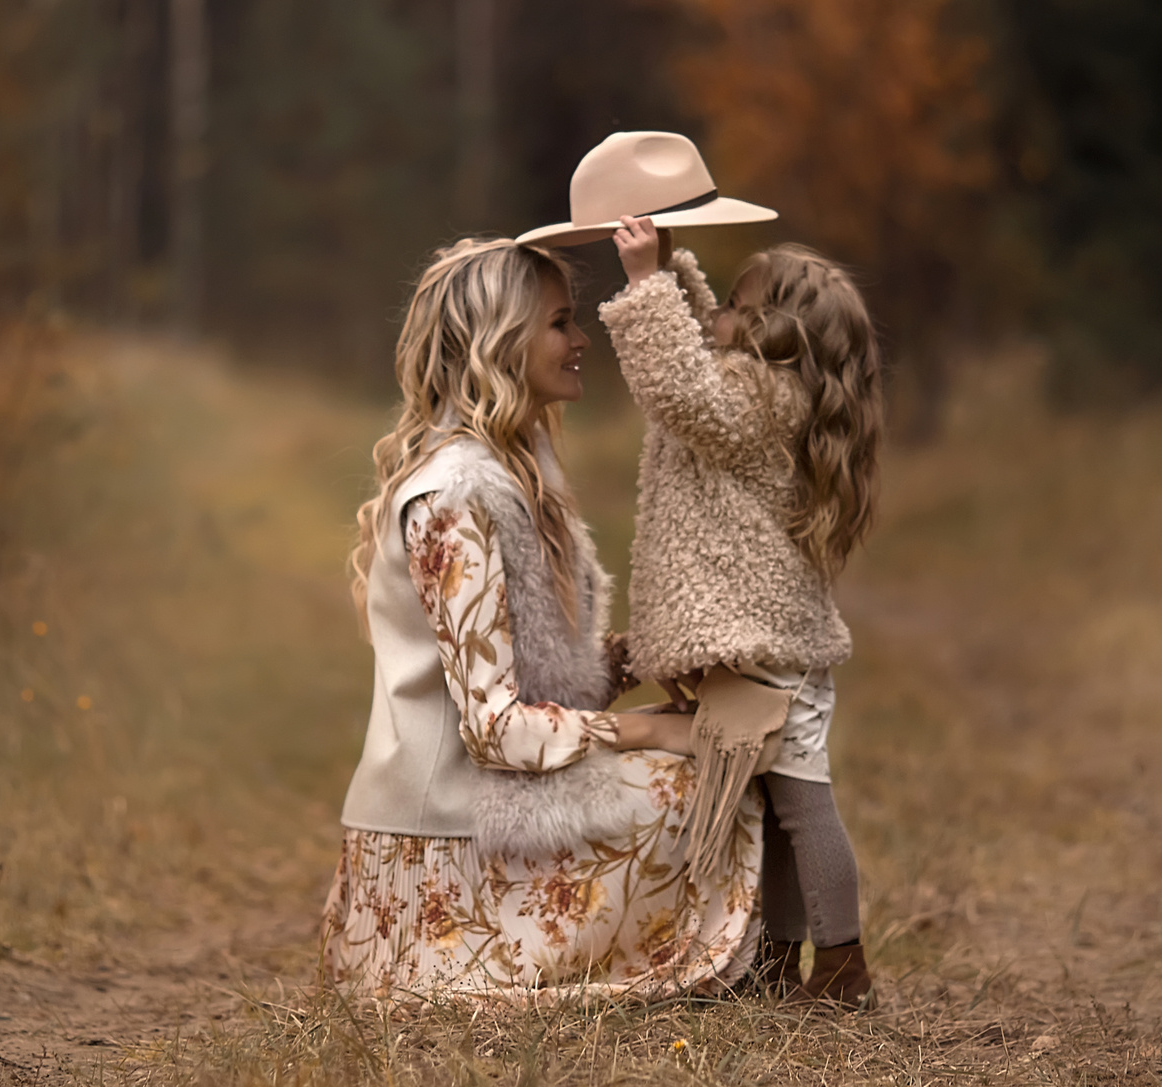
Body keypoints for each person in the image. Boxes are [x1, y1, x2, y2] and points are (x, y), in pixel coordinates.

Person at [318, 235, 766, 1001]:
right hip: (444, 843)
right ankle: (703, 967)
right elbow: (494, 727)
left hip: (479, 807)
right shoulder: (456, 495)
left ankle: (744, 959)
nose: (581, 337)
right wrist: (652, 728)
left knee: (716, 758)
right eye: (561, 322)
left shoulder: (513, 471)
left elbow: (545, 676)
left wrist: (655, 658)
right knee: (701, 785)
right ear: (501, 342)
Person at [598, 217, 885, 1010]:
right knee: (783, 810)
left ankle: (842, 967)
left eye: (730, 303)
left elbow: (678, 385)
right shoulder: (768, 388)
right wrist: (676, 282)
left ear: (769, 331)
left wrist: (644, 284)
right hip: (770, 647)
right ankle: (774, 960)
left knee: (803, 807)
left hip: (768, 653)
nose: (716, 314)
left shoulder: (757, 396)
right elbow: (697, 359)